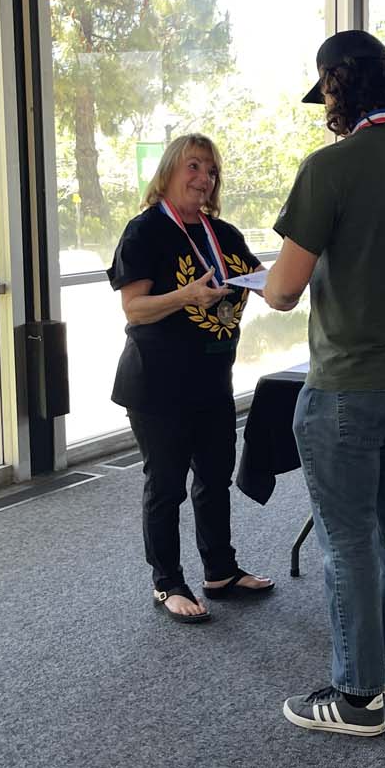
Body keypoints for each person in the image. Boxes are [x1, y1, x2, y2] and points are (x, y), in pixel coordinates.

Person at [263, 30, 385, 737]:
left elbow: (283, 290)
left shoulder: (329, 169)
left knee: (346, 541)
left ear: (337, 90)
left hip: (348, 382)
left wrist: (291, 275)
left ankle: (356, 698)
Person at [107, 134, 275, 622]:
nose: (204, 179)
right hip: (158, 384)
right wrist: (186, 296)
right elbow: (135, 309)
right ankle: (167, 583)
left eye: (212, 171)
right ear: (168, 172)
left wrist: (298, 273)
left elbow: (268, 282)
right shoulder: (145, 232)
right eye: (194, 167)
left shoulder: (224, 234)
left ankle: (220, 571)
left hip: (212, 380)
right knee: (166, 486)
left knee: (215, 478)